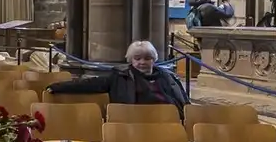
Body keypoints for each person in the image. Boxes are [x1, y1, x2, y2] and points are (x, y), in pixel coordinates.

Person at [48, 41, 188, 110]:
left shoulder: (168, 77)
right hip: (133, 124)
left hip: (167, 123)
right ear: (131, 60)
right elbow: (90, 84)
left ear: (154, 59)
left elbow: (183, 103)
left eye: (147, 58)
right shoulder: (120, 77)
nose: (142, 62)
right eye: (137, 59)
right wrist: (57, 87)